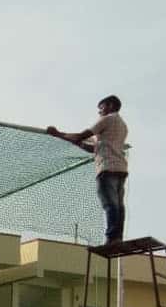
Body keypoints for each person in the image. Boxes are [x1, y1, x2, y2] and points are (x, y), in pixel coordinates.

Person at [46, 95, 129, 248]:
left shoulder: (108, 119)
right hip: (120, 169)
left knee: (110, 204)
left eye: (101, 107)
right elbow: (90, 147)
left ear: (110, 105)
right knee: (118, 205)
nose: (99, 111)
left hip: (107, 168)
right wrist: (71, 140)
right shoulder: (122, 125)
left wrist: (58, 134)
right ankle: (118, 237)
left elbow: (81, 136)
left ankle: (112, 238)